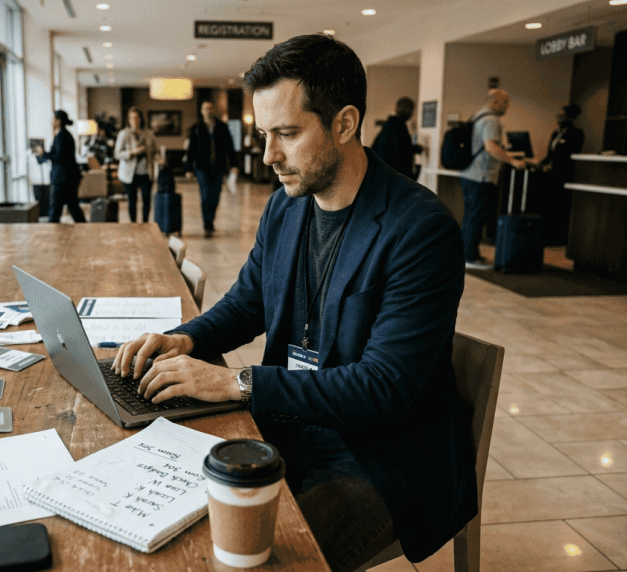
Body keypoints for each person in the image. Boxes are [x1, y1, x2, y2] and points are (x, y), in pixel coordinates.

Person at [114, 34, 476, 570]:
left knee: (253, 558)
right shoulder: (288, 208)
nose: (268, 156)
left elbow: (383, 388)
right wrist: (185, 338)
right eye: (264, 134)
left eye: (286, 133)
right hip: (288, 427)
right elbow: (249, 300)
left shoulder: (420, 230)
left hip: (378, 457)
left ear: (345, 124)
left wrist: (237, 382)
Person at [457, 89, 526, 269]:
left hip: (469, 173)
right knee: (476, 216)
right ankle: (470, 256)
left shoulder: (477, 117)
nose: (508, 106)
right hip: (482, 175)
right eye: (505, 102)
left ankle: (467, 254)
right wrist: (513, 161)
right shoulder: (492, 120)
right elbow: (491, 147)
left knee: (471, 215)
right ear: (494, 102)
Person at [185, 100, 238, 237]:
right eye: (205, 108)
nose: (207, 111)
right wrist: (189, 169)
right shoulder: (196, 128)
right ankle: (207, 225)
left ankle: (211, 220)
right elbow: (191, 150)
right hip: (202, 168)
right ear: (201, 111)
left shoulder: (222, 127)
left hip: (219, 167)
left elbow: (230, 147)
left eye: (210, 108)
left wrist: (234, 165)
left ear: (213, 110)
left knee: (215, 195)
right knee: (205, 195)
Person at [537, 104, 584, 244]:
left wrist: (553, 164)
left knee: (560, 207)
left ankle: (558, 237)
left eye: (562, 116)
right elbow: (549, 155)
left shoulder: (577, 134)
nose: (559, 119)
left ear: (570, 118)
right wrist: (539, 163)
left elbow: (569, 155)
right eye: (558, 116)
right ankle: (546, 235)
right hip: (551, 175)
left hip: (564, 175)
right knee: (548, 206)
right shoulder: (555, 134)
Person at [36, 110, 86, 223]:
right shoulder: (63, 135)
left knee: (57, 208)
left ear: (59, 121)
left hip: (63, 179)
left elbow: (59, 157)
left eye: (53, 119)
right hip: (67, 177)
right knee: (72, 206)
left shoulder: (62, 136)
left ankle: (53, 232)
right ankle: (84, 227)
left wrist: (44, 154)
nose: (51, 121)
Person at [114, 107, 158, 223]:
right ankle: (133, 224)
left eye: (136, 117)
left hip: (146, 172)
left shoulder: (149, 133)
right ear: (128, 119)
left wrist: (159, 159)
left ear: (141, 119)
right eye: (132, 118)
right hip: (129, 173)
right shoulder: (124, 133)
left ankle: (145, 224)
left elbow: (155, 151)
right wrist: (132, 152)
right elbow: (117, 154)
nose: (134, 120)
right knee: (132, 200)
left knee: (147, 199)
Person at [371, 96, 422, 179]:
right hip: (393, 173)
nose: (411, 113)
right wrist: (417, 149)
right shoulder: (398, 126)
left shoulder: (388, 125)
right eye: (410, 110)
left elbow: (374, 147)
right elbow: (402, 148)